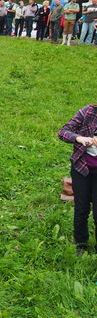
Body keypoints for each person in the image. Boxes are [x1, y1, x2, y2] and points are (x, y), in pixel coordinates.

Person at [59, 105, 97, 255]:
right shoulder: (88, 112)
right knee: (81, 209)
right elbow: (63, 132)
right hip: (82, 168)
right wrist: (79, 138)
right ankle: (81, 245)